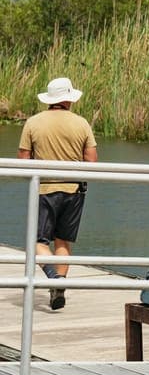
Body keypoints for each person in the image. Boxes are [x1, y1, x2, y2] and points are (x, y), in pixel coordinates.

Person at [17, 77, 98, 310]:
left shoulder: (33, 123)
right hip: (74, 189)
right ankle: (59, 285)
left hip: (43, 188)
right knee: (63, 240)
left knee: (37, 241)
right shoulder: (81, 123)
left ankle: (52, 277)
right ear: (68, 99)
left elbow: (23, 160)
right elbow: (91, 160)